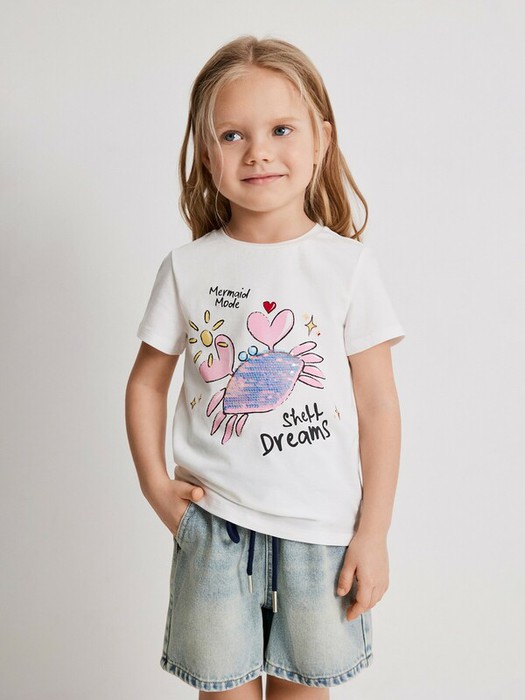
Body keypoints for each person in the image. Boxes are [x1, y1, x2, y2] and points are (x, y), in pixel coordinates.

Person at [125, 34, 406, 700]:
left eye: (281, 129)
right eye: (232, 135)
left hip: (322, 537)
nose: (257, 151)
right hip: (215, 530)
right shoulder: (187, 268)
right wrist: (155, 486)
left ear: (321, 139)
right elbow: (145, 384)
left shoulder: (347, 267)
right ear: (207, 153)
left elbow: (378, 407)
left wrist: (373, 533)